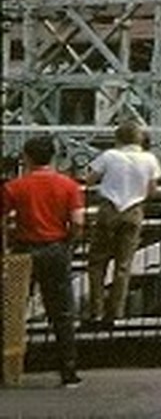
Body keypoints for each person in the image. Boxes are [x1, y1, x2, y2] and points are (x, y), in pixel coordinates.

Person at [1, 135, 85, 386]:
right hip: (56, 249)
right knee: (62, 312)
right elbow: (78, 222)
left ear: (26, 157)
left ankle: (8, 369)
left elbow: (2, 221)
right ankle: (68, 371)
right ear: (53, 157)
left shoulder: (14, 187)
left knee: (12, 311)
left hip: (23, 249)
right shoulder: (69, 186)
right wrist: (68, 242)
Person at [85, 120, 161, 328]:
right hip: (134, 210)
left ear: (118, 138)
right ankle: (116, 312)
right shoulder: (149, 159)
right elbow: (153, 189)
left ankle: (95, 311)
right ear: (140, 139)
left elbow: (90, 179)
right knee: (123, 264)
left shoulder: (110, 156)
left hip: (109, 208)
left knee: (97, 262)